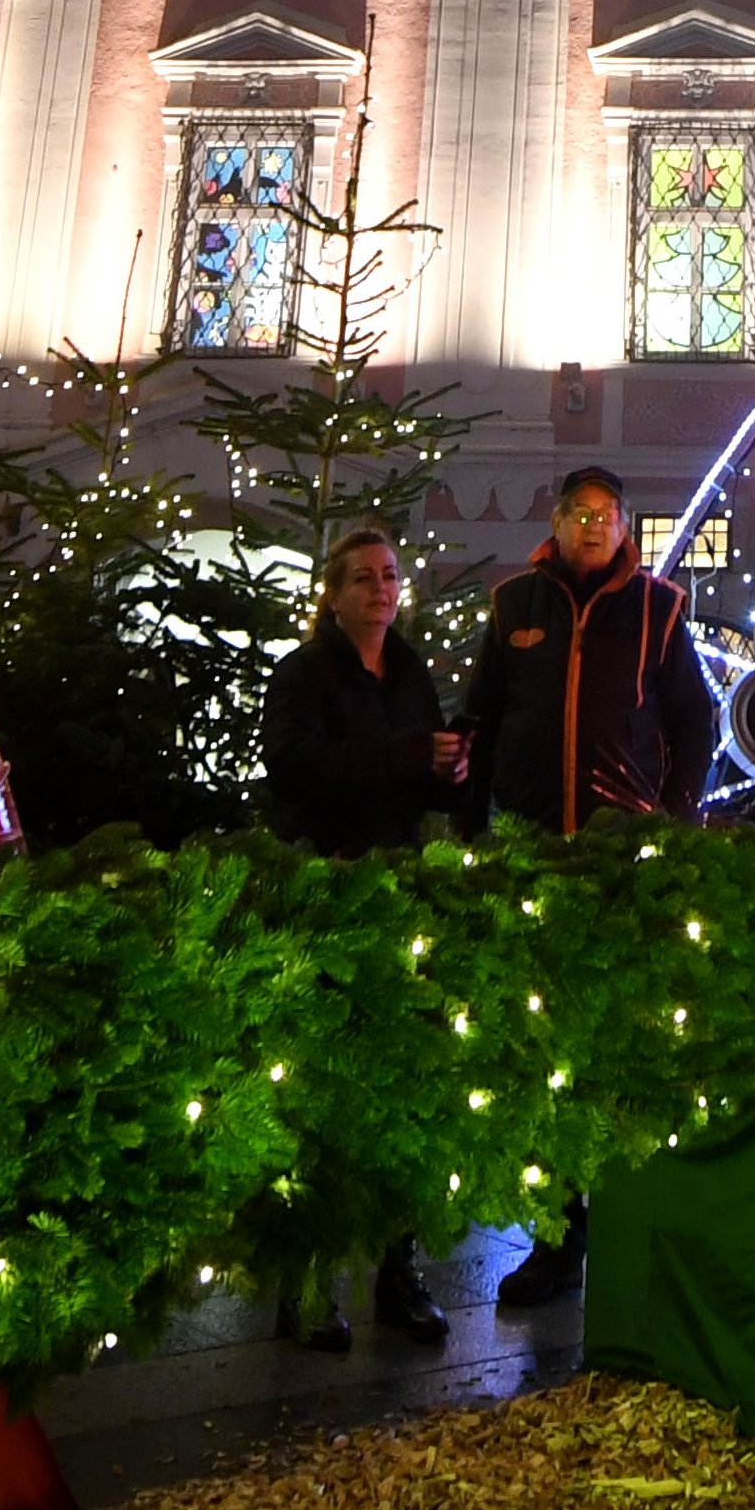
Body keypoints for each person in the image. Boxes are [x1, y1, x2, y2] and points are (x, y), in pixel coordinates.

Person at [460, 464, 719, 1306]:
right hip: (534, 854)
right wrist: (475, 826)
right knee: (545, 1054)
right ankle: (555, 1233)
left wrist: (671, 814)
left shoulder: (658, 607)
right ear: (557, 520)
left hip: (618, 863)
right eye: (578, 513)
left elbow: (691, 718)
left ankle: (632, 1217)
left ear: (623, 527)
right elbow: (481, 717)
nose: (593, 526)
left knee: (621, 1045)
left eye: (607, 515)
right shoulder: (512, 607)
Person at [261, 525, 468, 1353]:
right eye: (363, 578)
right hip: (328, 890)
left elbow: (411, 775)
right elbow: (299, 766)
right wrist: (404, 753)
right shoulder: (304, 674)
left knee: (404, 1087)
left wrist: (446, 770)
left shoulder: (410, 671)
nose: (381, 589)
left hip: (400, 892)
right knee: (322, 1093)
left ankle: (398, 1268)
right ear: (333, 594)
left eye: (389, 576)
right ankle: (306, 1278)